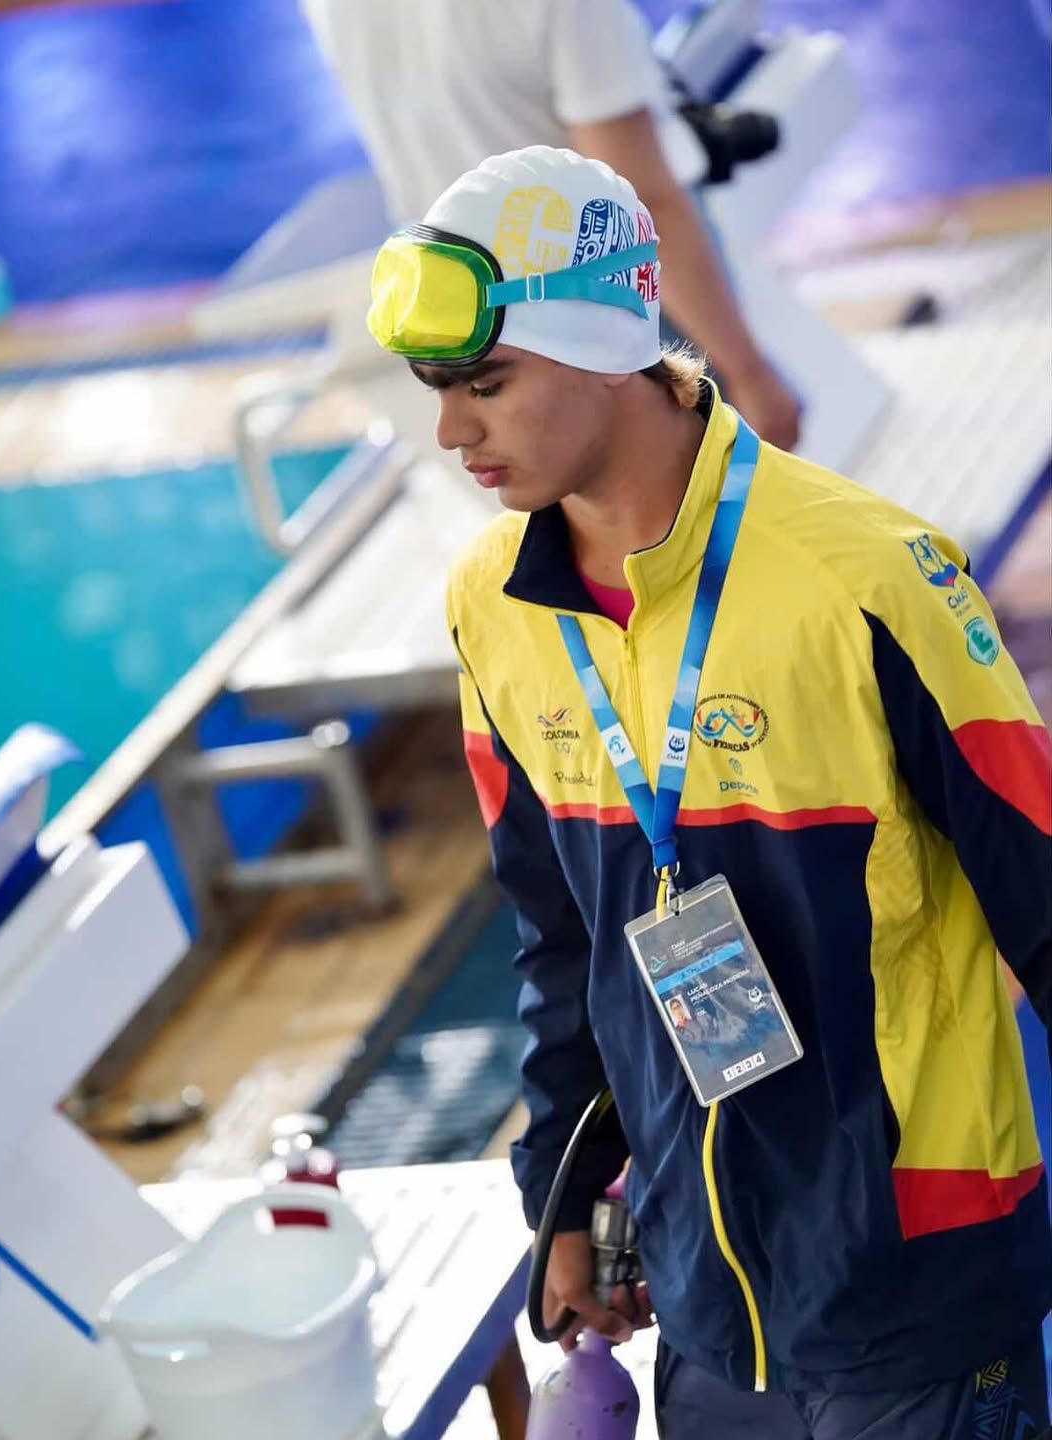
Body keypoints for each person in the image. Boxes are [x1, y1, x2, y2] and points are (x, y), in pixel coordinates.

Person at [364, 144, 1052, 1437]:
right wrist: (562, 1203)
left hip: (917, 1279)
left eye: (485, 383)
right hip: (703, 1302)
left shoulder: (867, 578)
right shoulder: (495, 611)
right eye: (436, 390)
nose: (452, 431)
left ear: (606, 346)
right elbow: (562, 939)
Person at [300, 0, 801, 450]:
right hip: (605, 301)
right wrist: (747, 374)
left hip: (480, 316)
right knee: (716, 519)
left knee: (611, 535)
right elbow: (644, 202)